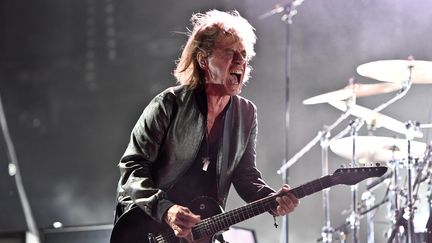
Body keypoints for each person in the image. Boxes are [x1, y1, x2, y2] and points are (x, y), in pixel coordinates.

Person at [114, 9, 299, 241]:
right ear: (203, 60)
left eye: (243, 54)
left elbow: (246, 176)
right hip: (148, 229)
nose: (240, 60)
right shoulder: (169, 104)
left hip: (203, 232)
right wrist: (166, 210)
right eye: (230, 53)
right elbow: (132, 168)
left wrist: (273, 200)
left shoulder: (246, 112)